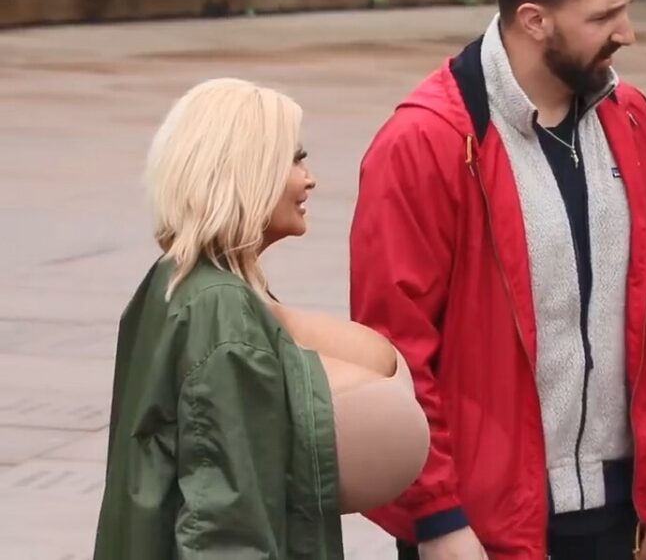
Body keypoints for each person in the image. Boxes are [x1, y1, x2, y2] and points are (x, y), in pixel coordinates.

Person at [349, 0, 646, 560]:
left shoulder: (635, 122)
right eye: (604, 17)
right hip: (476, 526)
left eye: (626, 7)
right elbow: (396, 353)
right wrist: (436, 517)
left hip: (619, 511)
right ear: (535, 20)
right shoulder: (424, 144)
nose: (627, 33)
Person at [94, 78, 430, 559]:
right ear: (247, 171)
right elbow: (224, 525)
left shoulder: (189, 285)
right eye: (294, 160)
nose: (309, 179)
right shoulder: (220, 312)